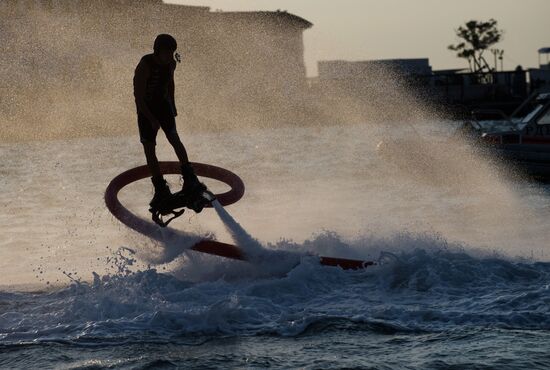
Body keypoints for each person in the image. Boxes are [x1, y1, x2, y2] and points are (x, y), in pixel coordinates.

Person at [133, 34, 204, 210]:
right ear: (157, 51)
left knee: (174, 138)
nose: (170, 56)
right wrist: (151, 119)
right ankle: (160, 188)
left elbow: (170, 84)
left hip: (163, 107)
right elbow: (138, 97)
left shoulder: (171, 64)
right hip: (146, 110)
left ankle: (190, 177)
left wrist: (173, 105)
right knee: (149, 149)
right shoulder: (144, 65)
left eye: (172, 52)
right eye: (166, 52)